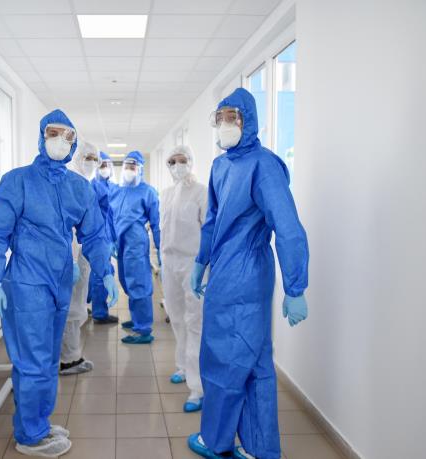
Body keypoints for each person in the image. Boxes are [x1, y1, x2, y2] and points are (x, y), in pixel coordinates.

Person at [0, 109, 119, 457]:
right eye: (53, 133)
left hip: (59, 284)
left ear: (74, 142)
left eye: (68, 135)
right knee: (33, 362)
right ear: (42, 136)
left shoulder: (78, 187)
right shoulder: (18, 181)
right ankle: (30, 435)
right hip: (26, 284)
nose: (60, 141)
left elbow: (94, 234)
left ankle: (38, 422)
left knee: (47, 359)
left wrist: (106, 271)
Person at [187, 88, 309, 459]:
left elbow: (287, 227)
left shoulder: (264, 165)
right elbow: (212, 220)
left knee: (225, 357)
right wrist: (201, 261)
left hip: (244, 272)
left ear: (249, 120)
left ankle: (217, 440)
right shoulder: (220, 166)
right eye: (221, 118)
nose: (225, 124)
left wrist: (295, 286)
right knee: (254, 359)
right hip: (225, 269)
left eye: (233, 118)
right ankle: (260, 447)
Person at [160, 145, 207, 413]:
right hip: (170, 262)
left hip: (192, 263)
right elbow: (164, 228)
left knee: (194, 322)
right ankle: (182, 366)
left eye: (183, 160)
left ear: (191, 162)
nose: (178, 165)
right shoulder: (166, 194)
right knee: (176, 317)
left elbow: (207, 230)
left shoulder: (201, 192)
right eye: (173, 161)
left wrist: (204, 265)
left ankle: (197, 387)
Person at [59, 141, 103, 375]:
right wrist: (74, 259)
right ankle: (69, 359)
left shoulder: (83, 184)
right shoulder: (72, 183)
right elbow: (69, 227)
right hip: (72, 255)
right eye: (87, 157)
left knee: (73, 305)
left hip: (78, 254)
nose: (92, 163)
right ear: (77, 157)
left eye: (95, 159)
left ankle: (69, 356)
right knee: (71, 308)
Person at [112, 151, 161, 344]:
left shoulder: (147, 191)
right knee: (126, 281)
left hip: (135, 242)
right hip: (120, 242)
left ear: (140, 169)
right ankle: (136, 319)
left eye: (133, 167)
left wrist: (160, 248)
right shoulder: (117, 191)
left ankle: (143, 329)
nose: (129, 170)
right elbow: (110, 218)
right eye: (127, 166)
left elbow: (156, 223)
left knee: (138, 283)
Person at [89, 151, 119, 324]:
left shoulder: (111, 186)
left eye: (107, 165)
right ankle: (99, 313)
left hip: (106, 237)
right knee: (100, 275)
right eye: (101, 164)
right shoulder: (93, 186)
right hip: (97, 237)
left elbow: (111, 216)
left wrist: (114, 238)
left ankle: (95, 308)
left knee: (101, 273)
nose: (104, 168)